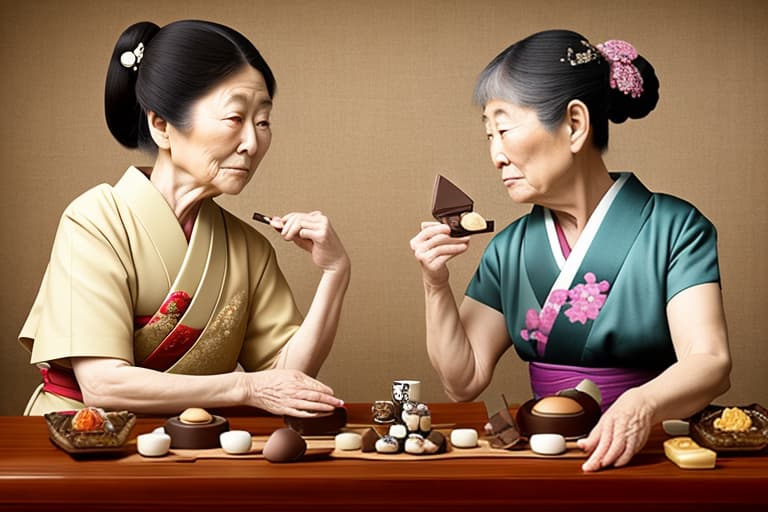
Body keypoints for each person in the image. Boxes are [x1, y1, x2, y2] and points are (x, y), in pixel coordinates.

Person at [409, 29, 731, 471]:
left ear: (575, 124)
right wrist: (435, 282)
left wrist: (641, 405)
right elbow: (462, 381)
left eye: (503, 128)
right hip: (546, 453)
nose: (495, 155)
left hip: (654, 451)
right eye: (488, 135)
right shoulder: (509, 249)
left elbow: (710, 362)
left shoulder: (676, 229)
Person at [19, 20, 349, 418]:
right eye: (234, 118)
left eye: (263, 122)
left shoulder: (248, 248)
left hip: (192, 443)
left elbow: (287, 380)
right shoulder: (95, 221)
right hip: (83, 440)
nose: (252, 143)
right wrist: (244, 386)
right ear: (161, 125)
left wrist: (335, 272)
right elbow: (103, 384)